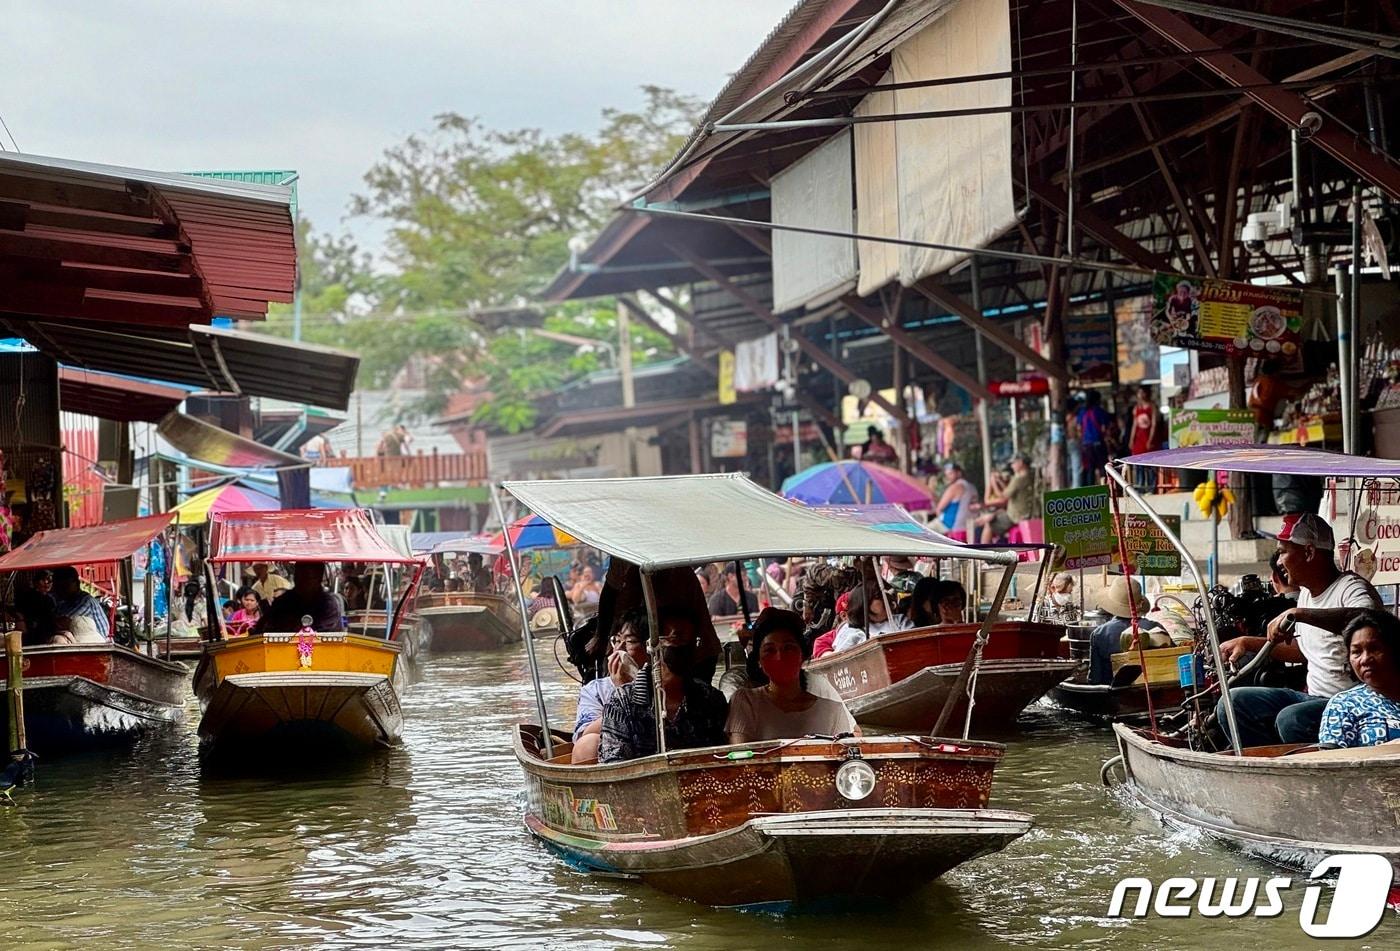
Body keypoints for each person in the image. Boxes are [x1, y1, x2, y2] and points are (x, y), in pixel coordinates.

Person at [1215, 513, 1381, 747]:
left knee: (1292, 719)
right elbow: (1304, 650)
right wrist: (1248, 642)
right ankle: (1268, 768)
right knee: (1232, 702)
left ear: (1309, 552)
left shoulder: (1351, 589)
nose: (1279, 561)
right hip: (1312, 696)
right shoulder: (1305, 594)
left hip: (1353, 705)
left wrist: (1301, 614)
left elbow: (1369, 622)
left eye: (1283, 551)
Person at [597, 611, 729, 763]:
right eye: (676, 638)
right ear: (652, 644)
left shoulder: (710, 699)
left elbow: (722, 757)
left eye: (692, 640)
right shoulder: (622, 701)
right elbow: (613, 764)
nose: (684, 646)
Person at [726, 608, 857, 744]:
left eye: (788, 648)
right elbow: (739, 756)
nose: (779, 657)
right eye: (769, 650)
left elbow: (852, 740)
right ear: (759, 660)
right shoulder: (744, 700)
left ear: (802, 655)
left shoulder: (830, 708)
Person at [571, 613, 649, 763]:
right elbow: (583, 736)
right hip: (611, 757)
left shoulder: (662, 682)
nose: (619, 648)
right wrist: (623, 692)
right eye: (617, 640)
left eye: (630, 641)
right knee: (588, 744)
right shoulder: (596, 690)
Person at [1317, 610, 1400, 749]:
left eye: (1374, 648)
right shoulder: (1343, 705)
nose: (1365, 659)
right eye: (1356, 652)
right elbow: (1331, 765)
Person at [1088, 576, 1166, 686]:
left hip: (1113, 697)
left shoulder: (1099, 634)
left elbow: (1095, 679)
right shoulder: (1156, 628)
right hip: (1154, 694)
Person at [254, 561, 343, 634]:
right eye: (298, 576)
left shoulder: (329, 605)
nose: (301, 581)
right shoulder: (283, 602)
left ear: (319, 578)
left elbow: (327, 636)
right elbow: (262, 628)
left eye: (307, 577)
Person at [975, 454, 1037, 544]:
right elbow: (1008, 492)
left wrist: (993, 482)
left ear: (1021, 463)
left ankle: (983, 554)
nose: (1012, 466)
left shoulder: (1019, 478)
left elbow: (1003, 496)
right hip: (1020, 512)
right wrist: (1000, 481)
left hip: (1016, 515)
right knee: (991, 516)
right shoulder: (1029, 475)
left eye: (1014, 463)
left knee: (989, 524)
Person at [50, 566, 110, 640]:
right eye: (57, 586)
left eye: (65, 585)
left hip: (99, 645)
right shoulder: (63, 604)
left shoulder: (85, 600)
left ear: (77, 583)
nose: (60, 590)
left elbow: (63, 621)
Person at [1128, 386, 1164, 491]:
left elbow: (1154, 424)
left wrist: (1150, 439)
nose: (1141, 395)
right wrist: (1131, 439)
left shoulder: (1152, 407)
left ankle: (1152, 487)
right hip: (1139, 440)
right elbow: (1134, 426)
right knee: (1139, 465)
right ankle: (1140, 487)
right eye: (1139, 393)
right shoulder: (1136, 409)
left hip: (1149, 440)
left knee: (1151, 465)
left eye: (1143, 393)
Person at [1076, 390, 1116, 486]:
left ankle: (1091, 490)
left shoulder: (1082, 412)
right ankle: (1104, 487)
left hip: (1086, 444)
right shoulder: (1099, 411)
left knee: (1090, 469)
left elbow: (1079, 428)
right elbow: (1104, 428)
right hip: (1098, 443)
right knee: (1103, 467)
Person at [934, 461, 980, 542]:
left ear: (959, 473)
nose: (948, 477)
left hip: (953, 528)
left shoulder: (955, 487)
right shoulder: (972, 487)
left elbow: (939, 509)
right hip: (970, 527)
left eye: (950, 474)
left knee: (923, 532)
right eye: (947, 474)